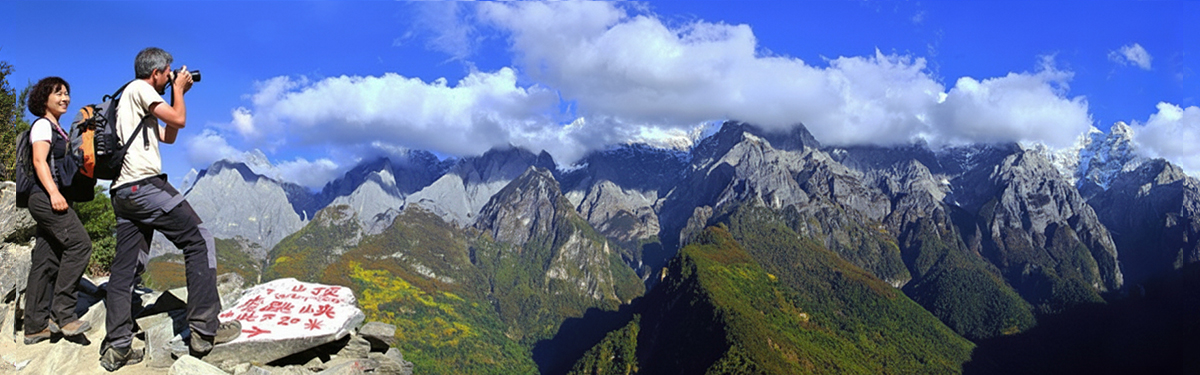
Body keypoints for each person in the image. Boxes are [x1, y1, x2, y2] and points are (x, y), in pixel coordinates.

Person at [100, 47, 239, 372]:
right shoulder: (139, 89)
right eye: (168, 73)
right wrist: (178, 91)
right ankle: (206, 330)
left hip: (123, 193)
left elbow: (171, 135)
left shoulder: (132, 102)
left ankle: (117, 348)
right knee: (199, 239)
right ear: (157, 72)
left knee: (125, 268)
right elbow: (179, 117)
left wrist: (179, 93)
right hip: (144, 186)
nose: (170, 78)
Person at [22, 76, 94, 345]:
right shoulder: (42, 125)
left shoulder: (58, 128)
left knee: (46, 259)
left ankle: (34, 326)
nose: (65, 98)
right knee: (80, 245)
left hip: (48, 197)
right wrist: (54, 193)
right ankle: (62, 315)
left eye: (66, 93)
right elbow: (39, 161)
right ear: (44, 99)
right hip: (46, 197)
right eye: (58, 93)